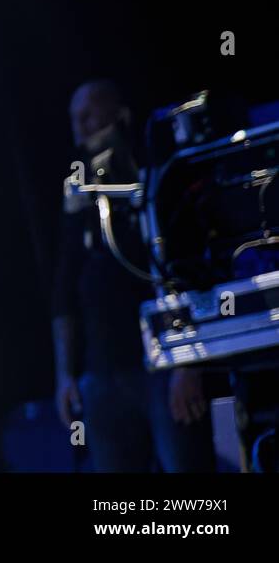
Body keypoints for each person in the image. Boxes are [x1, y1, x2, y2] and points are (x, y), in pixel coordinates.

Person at [51, 80, 215, 472]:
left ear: (117, 113)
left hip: (158, 366)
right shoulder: (79, 191)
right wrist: (66, 374)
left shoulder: (157, 174)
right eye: (75, 118)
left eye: (89, 114)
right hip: (101, 373)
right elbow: (64, 288)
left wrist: (186, 362)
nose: (81, 125)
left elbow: (190, 268)